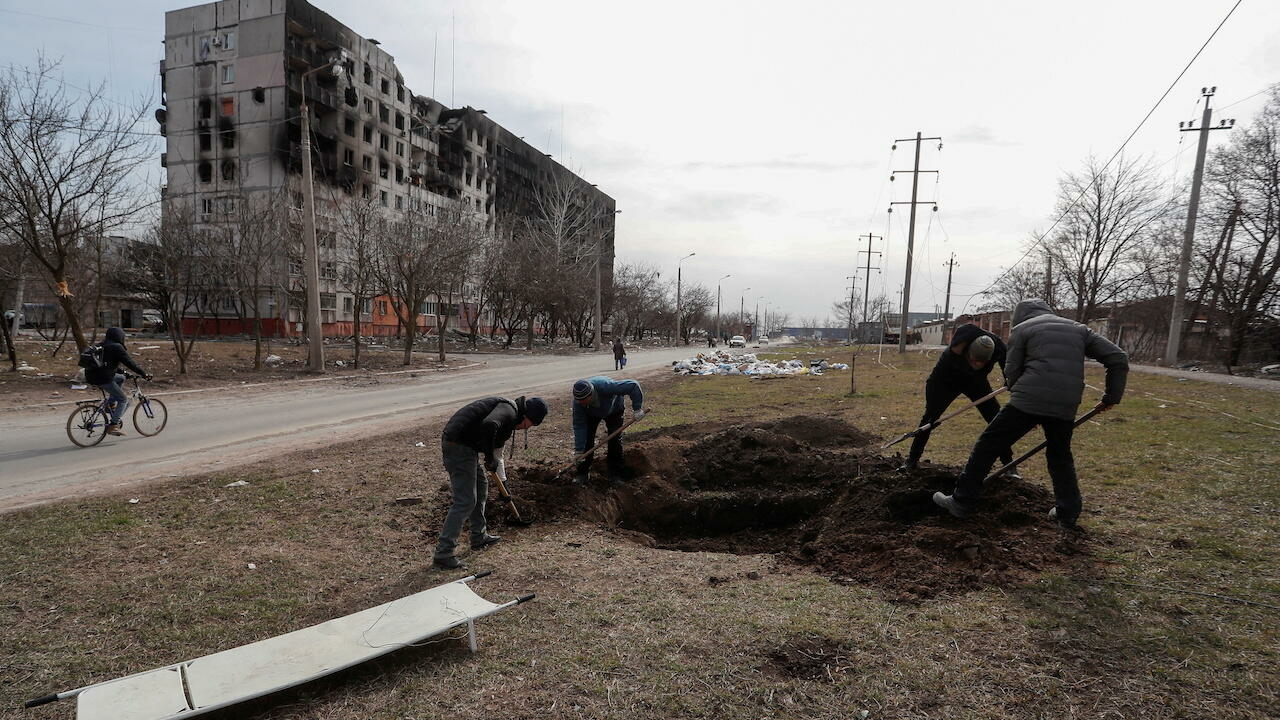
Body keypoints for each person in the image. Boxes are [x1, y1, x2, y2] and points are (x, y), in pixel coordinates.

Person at [933, 299, 1128, 529]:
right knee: (1060, 456)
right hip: (1066, 402)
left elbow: (1012, 371)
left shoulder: (1022, 329)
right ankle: (1068, 513)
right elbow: (1118, 358)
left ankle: (961, 502)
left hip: (1029, 398)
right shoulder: (1079, 329)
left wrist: (1024, 404)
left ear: (1019, 317)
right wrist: (1111, 397)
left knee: (988, 444)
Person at [433, 395, 549, 570]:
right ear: (526, 416)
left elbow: (497, 457)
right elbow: (489, 425)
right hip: (457, 445)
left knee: (481, 487)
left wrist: (505, 489)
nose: (524, 428)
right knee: (465, 501)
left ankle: (479, 536)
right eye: (528, 425)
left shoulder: (507, 422)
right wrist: (487, 456)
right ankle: (444, 553)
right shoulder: (509, 411)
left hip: (466, 447)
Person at [900, 324, 1019, 479]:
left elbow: (1008, 367)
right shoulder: (959, 343)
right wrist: (934, 406)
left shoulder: (999, 348)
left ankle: (1009, 465)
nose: (977, 365)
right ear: (967, 351)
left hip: (976, 383)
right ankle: (912, 460)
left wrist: (1009, 380)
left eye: (981, 363)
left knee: (995, 419)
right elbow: (934, 383)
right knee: (930, 419)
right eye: (974, 360)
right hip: (946, 380)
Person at [572, 376, 645, 484]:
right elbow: (579, 426)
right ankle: (582, 473)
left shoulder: (606, 386)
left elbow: (633, 385)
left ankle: (615, 474)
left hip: (614, 409)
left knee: (615, 440)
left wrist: (637, 408)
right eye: (579, 401)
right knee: (587, 439)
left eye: (584, 401)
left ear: (591, 394)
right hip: (591, 414)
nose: (581, 403)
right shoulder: (579, 404)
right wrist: (579, 450)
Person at [85, 327, 151, 436]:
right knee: (123, 399)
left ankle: (110, 404)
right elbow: (129, 362)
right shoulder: (116, 347)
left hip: (91, 376)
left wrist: (124, 373)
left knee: (121, 378)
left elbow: (109, 364)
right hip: (104, 378)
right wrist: (143, 374)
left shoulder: (101, 345)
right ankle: (113, 426)